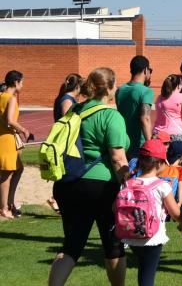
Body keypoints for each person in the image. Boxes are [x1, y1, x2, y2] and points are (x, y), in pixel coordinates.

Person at [49, 68, 130, 286]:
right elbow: (117, 158)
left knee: (71, 245)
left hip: (69, 182)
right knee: (113, 245)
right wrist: (129, 184)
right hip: (101, 186)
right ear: (110, 88)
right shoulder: (111, 116)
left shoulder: (74, 111)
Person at [119, 139, 182, 286]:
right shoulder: (162, 186)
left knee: (143, 270)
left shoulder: (128, 183)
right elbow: (175, 212)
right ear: (159, 163)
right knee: (147, 276)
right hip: (152, 237)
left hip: (131, 235)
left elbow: (115, 207)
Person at [48, 73, 83, 212]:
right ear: (78, 86)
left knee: (65, 171)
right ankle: (56, 199)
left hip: (67, 141)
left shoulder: (67, 98)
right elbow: (67, 120)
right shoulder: (67, 100)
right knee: (67, 171)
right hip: (66, 142)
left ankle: (56, 199)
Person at [0, 71, 28, 219]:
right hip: (6, 140)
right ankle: (4, 207)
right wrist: (24, 130)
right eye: (21, 82)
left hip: (4, 138)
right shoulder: (10, 98)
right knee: (7, 173)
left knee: (18, 169)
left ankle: (9, 202)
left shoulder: (1, 96)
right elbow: (11, 120)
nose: (22, 85)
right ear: (16, 82)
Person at [116, 55, 155, 158]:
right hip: (139, 147)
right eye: (150, 70)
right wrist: (150, 145)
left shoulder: (120, 90)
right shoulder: (146, 91)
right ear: (145, 70)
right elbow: (145, 118)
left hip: (123, 143)